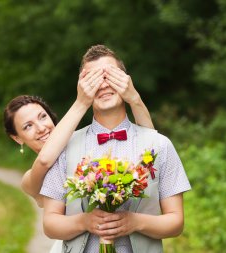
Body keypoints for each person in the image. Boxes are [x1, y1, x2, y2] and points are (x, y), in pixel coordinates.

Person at [39, 45, 191, 253]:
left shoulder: (160, 144)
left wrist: (136, 222)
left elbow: (176, 222)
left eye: (110, 76)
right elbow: (50, 223)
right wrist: (84, 222)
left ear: (125, 81)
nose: (102, 85)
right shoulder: (65, 147)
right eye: (93, 79)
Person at [3, 56, 155, 252]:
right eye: (28, 126)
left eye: (43, 116)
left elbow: (149, 149)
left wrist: (134, 99)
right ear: (17, 138)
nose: (41, 128)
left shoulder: (80, 146)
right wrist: (82, 101)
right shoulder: (30, 178)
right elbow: (44, 160)